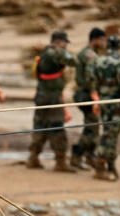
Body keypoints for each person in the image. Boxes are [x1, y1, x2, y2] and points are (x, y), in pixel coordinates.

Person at [26, 31, 76, 172]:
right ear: (60, 42)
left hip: (42, 96)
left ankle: (33, 157)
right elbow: (72, 61)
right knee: (57, 126)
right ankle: (60, 162)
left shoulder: (43, 54)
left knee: (40, 125)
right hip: (52, 98)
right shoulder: (54, 53)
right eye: (65, 43)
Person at [91, 35, 120, 181]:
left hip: (104, 102)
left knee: (108, 131)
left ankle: (110, 165)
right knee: (110, 134)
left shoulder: (99, 60)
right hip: (116, 103)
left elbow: (94, 81)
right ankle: (101, 164)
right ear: (119, 46)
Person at [71, 27, 105, 170]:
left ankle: (89, 156)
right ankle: (77, 156)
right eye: (103, 40)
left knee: (92, 127)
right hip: (87, 95)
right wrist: (95, 97)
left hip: (83, 94)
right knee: (92, 129)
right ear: (95, 39)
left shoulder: (85, 53)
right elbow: (90, 78)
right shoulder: (91, 55)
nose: (104, 43)